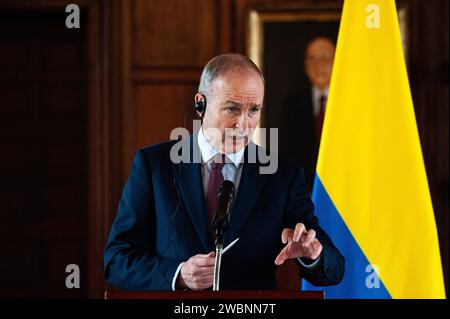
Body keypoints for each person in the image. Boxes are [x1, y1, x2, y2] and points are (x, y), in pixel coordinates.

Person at [104, 53, 344, 290]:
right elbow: (116, 261)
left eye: (253, 110)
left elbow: (334, 269)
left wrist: (312, 253)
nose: (243, 124)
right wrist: (178, 275)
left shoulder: (283, 176)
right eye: (232, 109)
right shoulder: (153, 165)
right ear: (200, 104)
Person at [279, 37, 335, 188]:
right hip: (304, 194)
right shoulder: (291, 105)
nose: (318, 66)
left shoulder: (351, 103)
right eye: (312, 59)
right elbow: (287, 155)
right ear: (305, 66)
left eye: (324, 59)